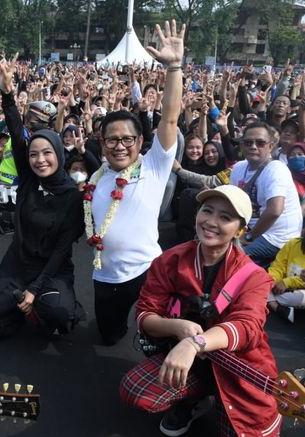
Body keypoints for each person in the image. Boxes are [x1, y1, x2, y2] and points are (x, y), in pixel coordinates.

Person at [119, 185, 280, 437]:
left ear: (240, 229)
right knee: (135, 391)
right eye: (207, 211)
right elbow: (144, 315)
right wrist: (177, 327)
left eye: (226, 217)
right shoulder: (170, 260)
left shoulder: (255, 277)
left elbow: (247, 327)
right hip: (194, 364)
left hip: (240, 372)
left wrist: (194, 343)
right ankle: (194, 399)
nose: (212, 221)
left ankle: (228, 409)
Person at [86, 20, 183, 345]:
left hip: (148, 273)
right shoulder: (96, 178)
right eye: (112, 139)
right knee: (109, 336)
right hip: (104, 275)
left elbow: (169, 117)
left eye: (127, 139)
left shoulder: (154, 166)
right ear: (102, 144)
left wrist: (174, 68)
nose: (120, 145)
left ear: (141, 142)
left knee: (156, 341)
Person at [0, 56, 84, 338]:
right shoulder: (28, 179)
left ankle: (52, 304)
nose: (39, 160)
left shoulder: (71, 197)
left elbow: (62, 249)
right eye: (34, 154)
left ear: (59, 155)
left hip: (53, 269)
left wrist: (36, 289)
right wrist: (8, 93)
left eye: (47, 153)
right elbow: (15, 130)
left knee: (57, 313)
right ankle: (20, 304)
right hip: (18, 262)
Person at [229, 122, 302, 267]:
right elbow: (234, 202)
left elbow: (274, 211)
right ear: (242, 146)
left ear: (271, 146)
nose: (253, 146)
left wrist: (248, 237)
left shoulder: (277, 169)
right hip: (250, 229)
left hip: (277, 237)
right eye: (248, 142)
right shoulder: (238, 168)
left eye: (260, 143)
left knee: (232, 255)